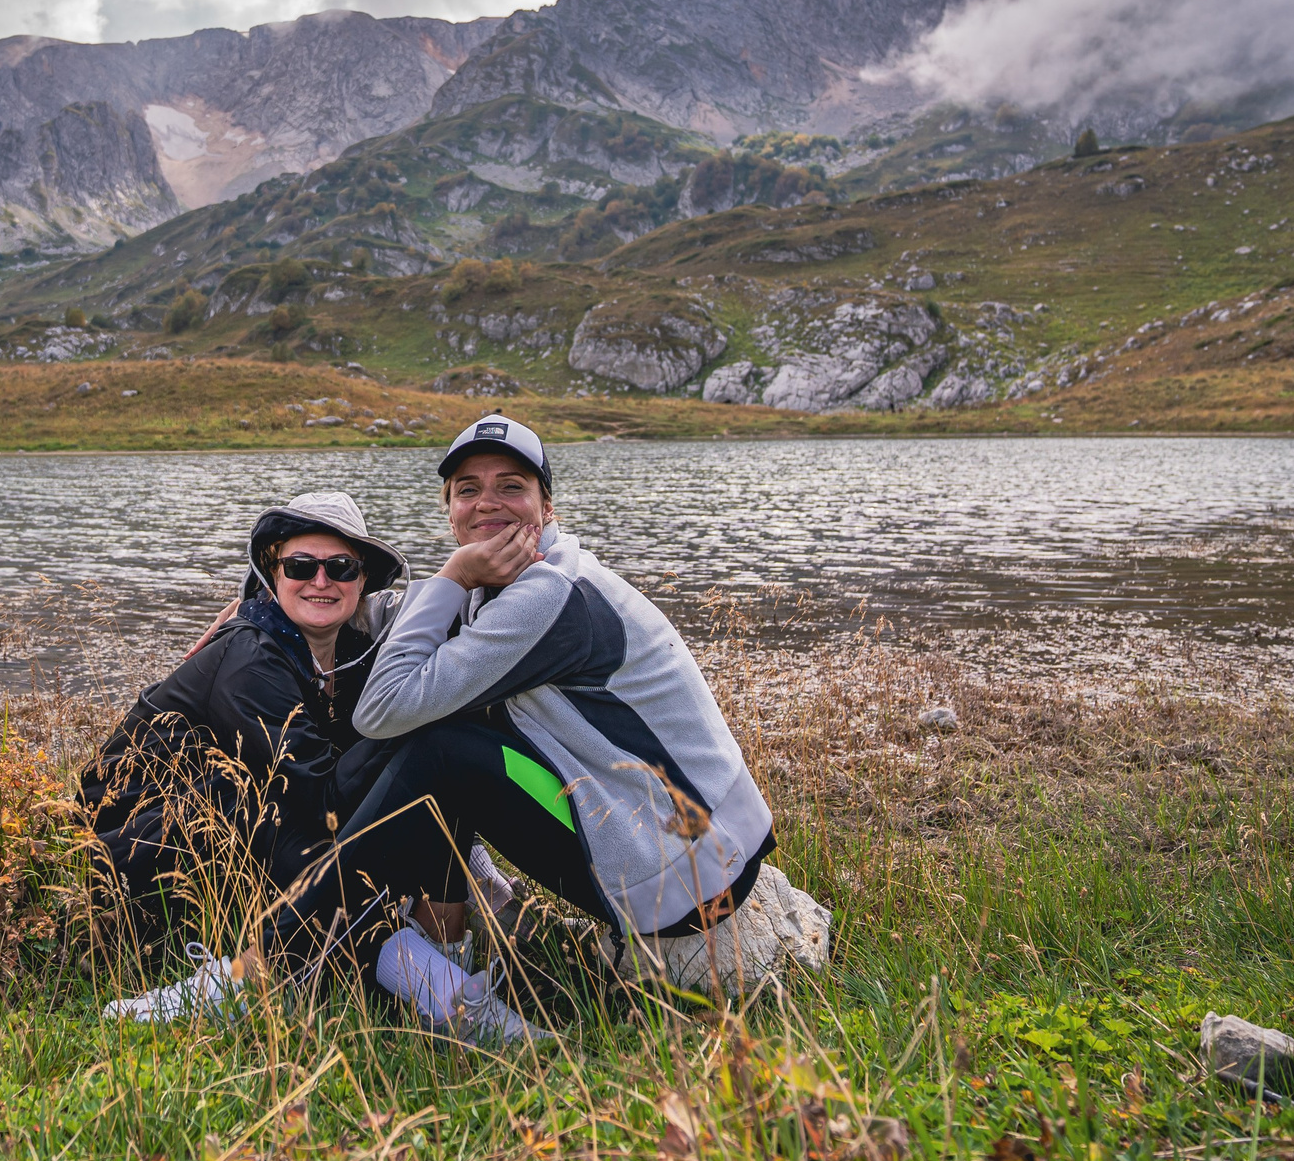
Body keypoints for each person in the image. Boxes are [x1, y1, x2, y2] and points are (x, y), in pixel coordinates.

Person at [320, 412, 778, 1038]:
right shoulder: (524, 580)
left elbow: (381, 708)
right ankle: (445, 975)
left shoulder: (548, 595)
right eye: (468, 489)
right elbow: (396, 620)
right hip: (687, 845)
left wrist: (452, 575)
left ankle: (268, 960)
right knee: (433, 743)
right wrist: (270, 599)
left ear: (546, 506)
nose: (489, 503)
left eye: (512, 486)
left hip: (689, 875)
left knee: (438, 750)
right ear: (450, 509)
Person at [85, 492, 406, 1019]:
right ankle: (230, 984)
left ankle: (420, 968)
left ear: (362, 579)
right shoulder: (251, 657)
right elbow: (322, 798)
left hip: (231, 844)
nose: (320, 581)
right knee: (317, 826)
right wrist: (410, 733)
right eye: (301, 565)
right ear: (273, 572)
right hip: (134, 851)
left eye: (340, 567)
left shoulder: (349, 658)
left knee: (348, 830)